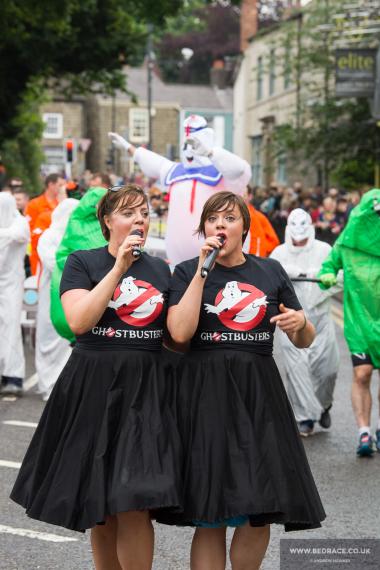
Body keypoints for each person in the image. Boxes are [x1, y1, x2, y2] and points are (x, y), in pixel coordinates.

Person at [11, 184, 182, 569]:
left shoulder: (160, 268)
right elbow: (79, 320)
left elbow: (176, 336)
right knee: (101, 503)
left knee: (135, 502)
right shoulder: (82, 262)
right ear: (107, 221)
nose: (140, 218)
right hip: (94, 386)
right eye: (129, 212)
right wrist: (119, 268)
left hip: (146, 390)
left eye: (144, 211)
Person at [158, 192, 325, 569]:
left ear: (245, 229)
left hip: (258, 396)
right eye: (213, 219)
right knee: (210, 512)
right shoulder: (186, 271)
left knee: (259, 505)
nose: (221, 225)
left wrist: (302, 324)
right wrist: (203, 269)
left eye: (230, 218)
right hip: (206, 396)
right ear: (203, 229)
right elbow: (180, 333)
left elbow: (303, 338)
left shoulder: (269, 271)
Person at [109, 114, 251, 265]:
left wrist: (210, 153)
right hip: (180, 264)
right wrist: (128, 147)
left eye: (194, 144)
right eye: (186, 145)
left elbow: (240, 169)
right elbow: (151, 160)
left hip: (221, 259)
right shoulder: (175, 171)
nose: (189, 151)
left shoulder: (224, 172)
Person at [318, 188, 380, 456]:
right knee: (362, 373)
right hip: (358, 321)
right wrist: (327, 275)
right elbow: (328, 265)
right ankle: (363, 432)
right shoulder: (346, 242)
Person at [270, 208, 340, 436]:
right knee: (297, 369)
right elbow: (269, 282)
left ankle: (324, 404)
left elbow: (339, 277)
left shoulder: (325, 250)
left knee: (327, 369)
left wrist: (321, 280)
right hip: (292, 320)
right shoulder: (279, 254)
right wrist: (290, 273)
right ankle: (305, 418)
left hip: (320, 319)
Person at [35, 198, 79, 401]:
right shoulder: (49, 236)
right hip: (49, 295)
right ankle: (47, 385)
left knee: (67, 343)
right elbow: (53, 262)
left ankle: (64, 387)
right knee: (47, 338)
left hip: (71, 297)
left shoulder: (77, 237)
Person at [0, 193, 30, 395]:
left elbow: (18, 235)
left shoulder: (19, 222)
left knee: (10, 326)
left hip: (11, 283)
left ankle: (13, 376)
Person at [25, 173, 66, 274]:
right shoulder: (34, 204)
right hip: (38, 252)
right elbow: (29, 230)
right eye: (60, 185)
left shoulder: (62, 205)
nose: (62, 188)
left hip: (57, 251)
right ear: (51, 185)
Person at [245, 185, 280, 257]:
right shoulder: (227, 217)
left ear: (250, 196)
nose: (239, 197)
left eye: (243, 194)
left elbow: (274, 242)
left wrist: (260, 250)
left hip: (253, 261)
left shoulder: (259, 217)